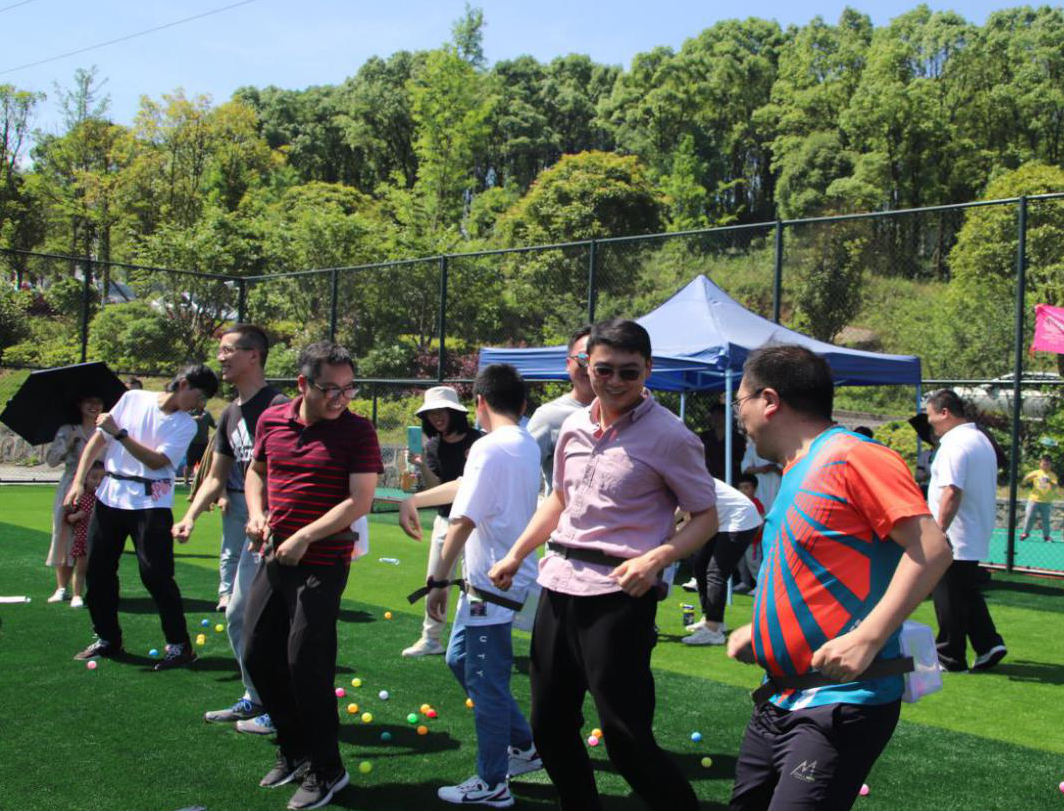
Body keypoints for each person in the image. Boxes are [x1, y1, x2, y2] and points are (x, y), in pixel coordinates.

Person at [489, 318, 719, 811]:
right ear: (584, 367)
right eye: (604, 370)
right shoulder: (572, 425)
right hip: (558, 585)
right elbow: (559, 501)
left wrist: (658, 558)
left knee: (625, 737)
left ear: (648, 370)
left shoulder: (671, 436)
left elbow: (706, 517)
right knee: (549, 725)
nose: (615, 382)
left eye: (629, 372)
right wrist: (515, 553)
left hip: (619, 595)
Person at [726, 345, 952, 810]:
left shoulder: (854, 457)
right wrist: (764, 633)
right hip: (779, 698)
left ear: (769, 401)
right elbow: (811, 572)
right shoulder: (796, 470)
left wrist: (868, 637)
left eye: (739, 401)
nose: (738, 415)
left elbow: (931, 548)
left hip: (841, 701)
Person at [242, 341, 382, 811]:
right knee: (257, 654)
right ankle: (295, 748)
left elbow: (360, 501)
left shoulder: (358, 431)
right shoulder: (271, 421)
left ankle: (328, 769)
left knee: (307, 663)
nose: (341, 399)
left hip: (324, 560)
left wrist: (305, 536)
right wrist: (256, 513)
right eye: (331, 390)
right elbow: (256, 472)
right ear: (303, 384)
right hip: (275, 553)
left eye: (349, 389)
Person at [409, 364, 543, 808]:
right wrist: (414, 499)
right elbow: (469, 488)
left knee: (487, 684)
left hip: (492, 585)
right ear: (522, 404)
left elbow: (462, 519)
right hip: (496, 582)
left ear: (479, 403)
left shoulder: (488, 446)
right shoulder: (523, 442)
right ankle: (524, 747)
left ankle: (492, 782)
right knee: (460, 658)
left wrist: (437, 579)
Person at [171, 324, 287, 732]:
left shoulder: (280, 407)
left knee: (270, 621)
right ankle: (257, 697)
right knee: (238, 615)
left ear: (253, 355)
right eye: (220, 350)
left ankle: (280, 706)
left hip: (283, 532)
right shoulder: (230, 414)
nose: (220, 357)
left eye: (228, 350)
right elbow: (216, 477)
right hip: (252, 529)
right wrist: (189, 517)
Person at [67, 364, 220, 670]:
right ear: (184, 384)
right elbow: (98, 441)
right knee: (97, 572)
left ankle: (180, 646)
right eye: (200, 395)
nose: (200, 404)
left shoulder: (185, 425)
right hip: (110, 497)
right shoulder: (133, 398)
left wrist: (120, 434)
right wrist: (78, 481)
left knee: (156, 575)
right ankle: (107, 638)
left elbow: (156, 461)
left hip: (151, 503)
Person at [926, 389, 1008, 672]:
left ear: (945, 412)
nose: (930, 422)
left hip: (955, 534)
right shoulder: (979, 439)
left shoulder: (955, 444)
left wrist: (938, 531)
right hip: (972, 530)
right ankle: (988, 644)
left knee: (948, 594)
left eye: (931, 416)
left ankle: (950, 656)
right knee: (964, 591)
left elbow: (952, 490)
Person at [400, 386, 483, 658]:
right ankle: (431, 638)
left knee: (476, 583)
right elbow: (436, 487)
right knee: (436, 578)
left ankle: (477, 634)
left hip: (476, 524)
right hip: (445, 519)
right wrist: (421, 463)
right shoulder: (433, 446)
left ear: (454, 412)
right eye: (431, 413)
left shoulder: (479, 441)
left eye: (441, 411)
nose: (436, 417)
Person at [682, 477, 762, 645]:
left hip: (740, 519)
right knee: (701, 566)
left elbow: (682, 516)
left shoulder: (687, 479)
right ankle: (711, 619)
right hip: (723, 522)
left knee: (716, 573)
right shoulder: (683, 478)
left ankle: (713, 630)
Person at [45, 393, 103, 603]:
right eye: (89, 401)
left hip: (100, 487)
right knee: (65, 533)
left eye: (98, 402)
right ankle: (62, 587)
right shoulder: (68, 429)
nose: (93, 406)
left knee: (95, 537)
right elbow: (52, 460)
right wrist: (69, 442)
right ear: (79, 404)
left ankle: (88, 588)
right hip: (71, 485)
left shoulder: (106, 430)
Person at [526, 325, 594, 494]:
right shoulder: (549, 417)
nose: (590, 367)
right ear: (568, 364)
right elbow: (520, 472)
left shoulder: (628, 414)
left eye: (598, 360)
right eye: (583, 359)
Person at [61, 460, 106, 608]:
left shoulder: (106, 497)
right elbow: (67, 517)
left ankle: (99, 595)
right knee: (81, 569)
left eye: (102, 478)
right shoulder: (81, 497)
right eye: (94, 477)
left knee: (102, 570)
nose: (98, 481)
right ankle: (77, 595)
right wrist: (76, 516)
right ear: (85, 479)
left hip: (102, 540)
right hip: (84, 539)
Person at [732, 473, 765, 594]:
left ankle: (760, 585)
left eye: (747, 488)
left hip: (753, 541)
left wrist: (754, 535)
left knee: (753, 563)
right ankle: (744, 582)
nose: (743, 491)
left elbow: (761, 521)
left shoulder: (756, 503)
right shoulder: (738, 504)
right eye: (740, 488)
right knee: (741, 562)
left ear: (754, 489)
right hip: (740, 539)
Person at [699, 400, 746, 483]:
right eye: (713, 415)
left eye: (719, 414)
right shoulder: (704, 436)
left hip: (730, 479)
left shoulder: (737, 438)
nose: (716, 418)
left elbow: (740, 459)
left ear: (726, 416)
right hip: (708, 477)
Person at [1020, 455, 1058, 542]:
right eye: (1044, 464)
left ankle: (1046, 536)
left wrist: (1049, 481)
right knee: (1029, 517)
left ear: (1050, 465)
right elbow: (1024, 481)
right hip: (1033, 500)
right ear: (1040, 464)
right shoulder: (1036, 472)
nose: (1045, 466)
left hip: (1046, 501)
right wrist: (1026, 479)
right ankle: (1025, 533)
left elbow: (1055, 486)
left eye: (1047, 464)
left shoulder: (1052, 475)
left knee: (1046, 520)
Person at [740, 442, 781, 512]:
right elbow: (745, 469)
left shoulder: (779, 444)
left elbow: (788, 470)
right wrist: (761, 469)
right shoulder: (753, 447)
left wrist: (774, 469)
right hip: (760, 485)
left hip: (777, 484)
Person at [182, 406, 216, 486]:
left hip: (204, 443)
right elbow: (183, 422)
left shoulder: (207, 414)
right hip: (192, 443)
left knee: (204, 464)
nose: (204, 402)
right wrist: (194, 418)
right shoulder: (190, 413)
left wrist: (222, 424)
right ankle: (186, 481)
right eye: (202, 400)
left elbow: (214, 425)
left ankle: (202, 481)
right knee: (190, 464)